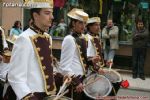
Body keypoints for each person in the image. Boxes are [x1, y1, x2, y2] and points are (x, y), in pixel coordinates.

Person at [7, 0, 58, 99]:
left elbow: (44, 68)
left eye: (51, 13)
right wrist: (28, 97)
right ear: (35, 15)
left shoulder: (48, 38)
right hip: (32, 96)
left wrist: (60, 75)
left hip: (48, 95)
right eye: (47, 13)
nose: (52, 17)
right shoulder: (24, 38)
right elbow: (15, 77)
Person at [59, 8, 100, 100]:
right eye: (80, 23)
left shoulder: (82, 38)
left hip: (82, 80)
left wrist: (91, 60)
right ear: (73, 23)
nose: (83, 26)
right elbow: (63, 67)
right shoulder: (69, 39)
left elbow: (82, 60)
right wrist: (76, 82)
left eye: (84, 23)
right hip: (74, 82)